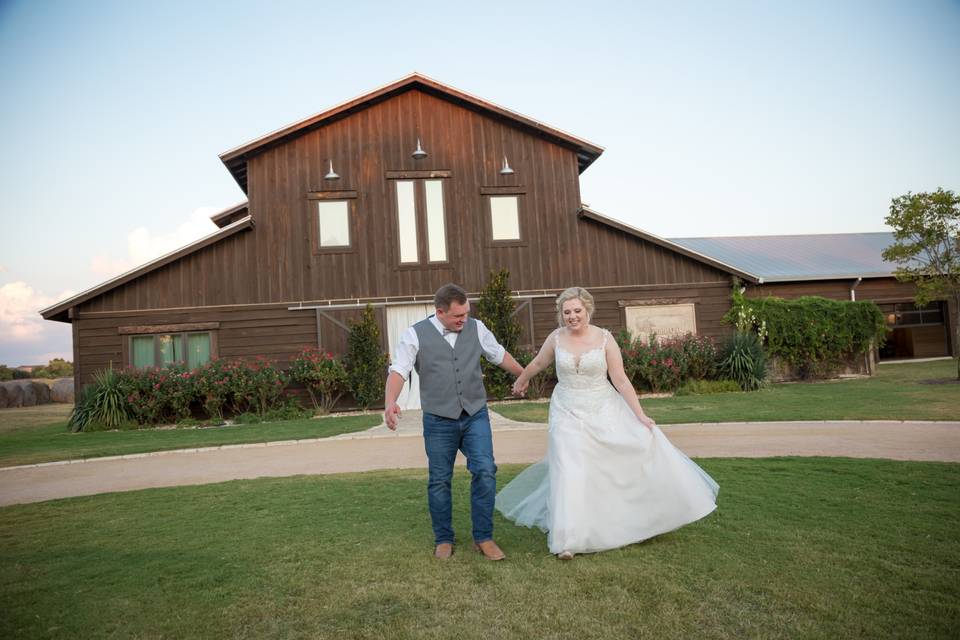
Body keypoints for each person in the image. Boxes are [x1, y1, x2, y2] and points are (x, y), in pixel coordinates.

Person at [496, 286, 719, 560]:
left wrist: (639, 415)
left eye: (577, 310)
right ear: (561, 315)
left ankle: (623, 519)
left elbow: (620, 379)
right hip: (565, 409)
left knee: (608, 466)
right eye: (567, 312)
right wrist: (521, 379)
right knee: (568, 469)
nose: (572, 316)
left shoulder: (605, 339)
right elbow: (539, 362)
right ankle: (568, 539)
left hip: (602, 407)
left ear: (587, 310)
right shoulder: (556, 338)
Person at [384, 283, 524, 560]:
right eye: (458, 316)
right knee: (439, 480)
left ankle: (483, 537)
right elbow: (399, 370)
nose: (464, 319)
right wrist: (390, 402)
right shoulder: (414, 334)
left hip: (475, 415)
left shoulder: (477, 328)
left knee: (485, 470)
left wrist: (524, 375)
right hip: (438, 419)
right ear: (440, 312)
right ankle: (444, 538)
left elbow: (498, 355)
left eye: (466, 313)